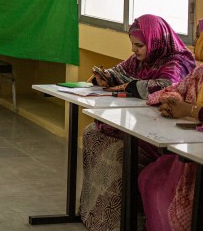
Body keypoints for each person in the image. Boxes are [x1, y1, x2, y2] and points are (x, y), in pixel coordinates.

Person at [80, 14, 196, 231]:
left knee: (119, 155)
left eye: (139, 45)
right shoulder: (141, 59)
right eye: (133, 45)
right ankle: (96, 215)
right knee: (92, 134)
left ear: (155, 41)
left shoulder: (177, 61)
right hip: (142, 123)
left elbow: (167, 87)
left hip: (161, 134)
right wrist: (104, 78)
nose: (134, 50)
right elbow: (119, 73)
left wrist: (131, 86)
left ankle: (124, 222)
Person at [139, 63, 203, 231]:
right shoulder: (200, 71)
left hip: (195, 152)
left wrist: (190, 111)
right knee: (149, 179)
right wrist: (174, 101)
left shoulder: (175, 63)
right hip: (190, 147)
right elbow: (175, 88)